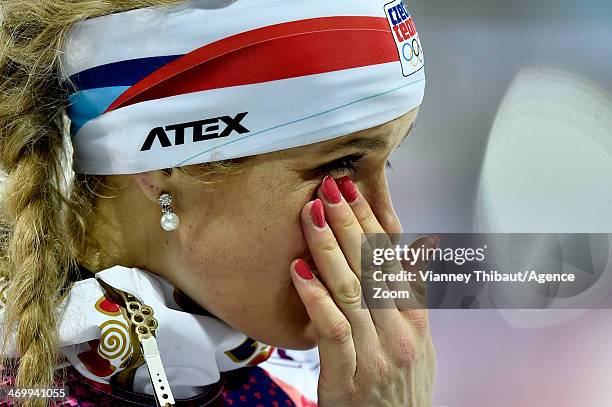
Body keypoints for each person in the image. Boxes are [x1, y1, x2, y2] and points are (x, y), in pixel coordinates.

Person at [0, 0, 435, 406]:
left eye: (388, 164)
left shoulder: (330, 381)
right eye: (341, 164)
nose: (387, 224)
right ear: (163, 163)